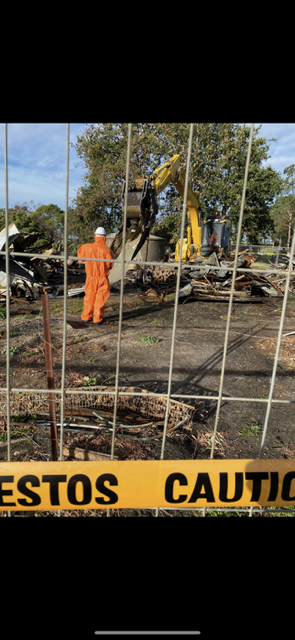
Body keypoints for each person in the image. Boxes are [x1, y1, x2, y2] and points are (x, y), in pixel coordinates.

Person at [78, 227, 115, 325]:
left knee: (89, 296)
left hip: (91, 277)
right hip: (102, 278)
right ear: (104, 237)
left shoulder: (86, 247)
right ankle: (97, 319)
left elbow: (81, 258)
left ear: (95, 236)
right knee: (100, 298)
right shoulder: (108, 251)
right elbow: (110, 265)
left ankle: (86, 316)